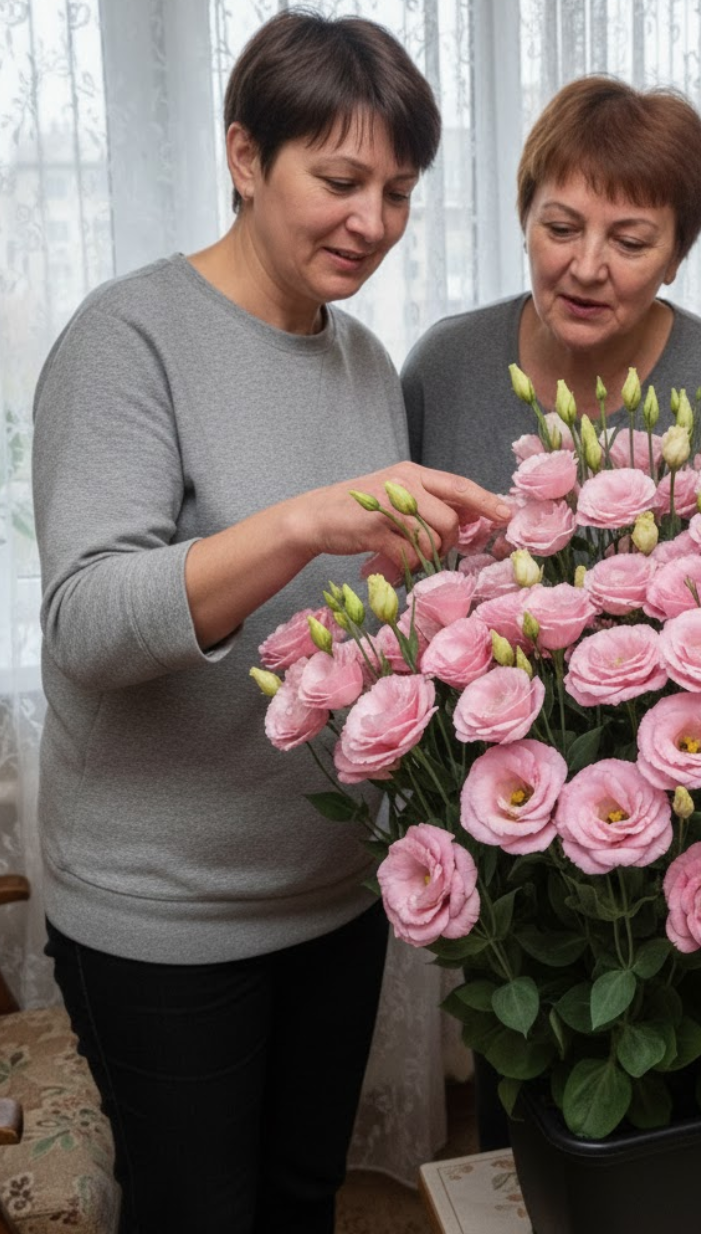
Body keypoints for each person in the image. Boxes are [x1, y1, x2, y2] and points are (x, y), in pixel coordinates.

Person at [31, 12, 508, 1233]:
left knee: (303, 1199)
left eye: (398, 192)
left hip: (330, 889)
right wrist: (300, 524)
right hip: (164, 914)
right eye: (340, 181)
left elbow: (346, 615)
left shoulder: (364, 362)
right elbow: (88, 623)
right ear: (246, 157)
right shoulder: (128, 338)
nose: (373, 222)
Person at [402, 75, 701, 497]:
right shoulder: (445, 366)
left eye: (630, 243)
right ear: (525, 222)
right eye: (561, 229)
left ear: (676, 257)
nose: (588, 269)